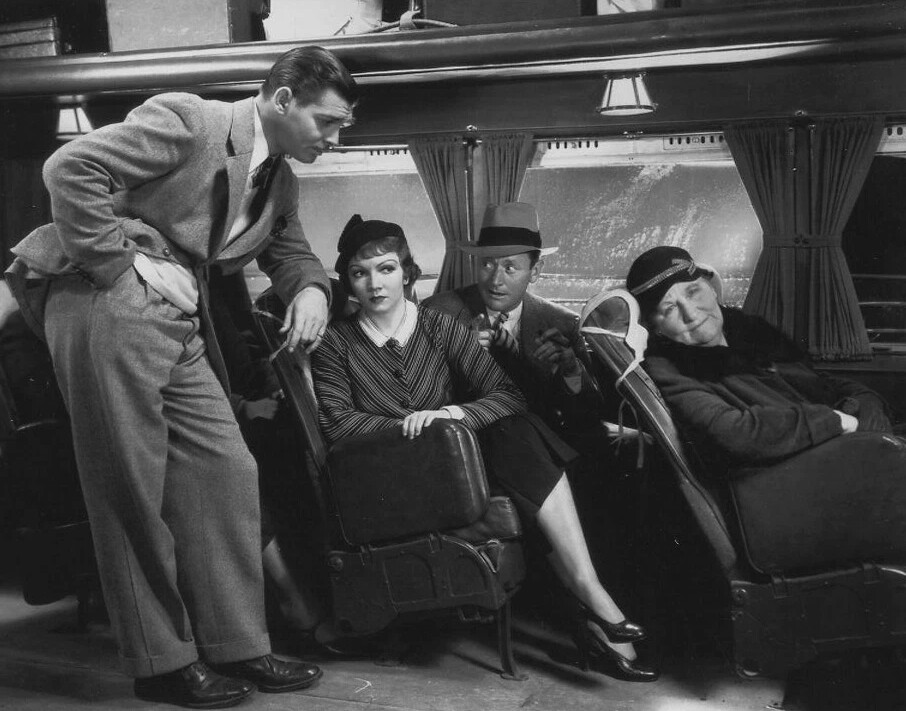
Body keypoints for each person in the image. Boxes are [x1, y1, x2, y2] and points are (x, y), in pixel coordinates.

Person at [4, 46, 357, 709]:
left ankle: (237, 642)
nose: (335, 138)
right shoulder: (194, 121)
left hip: (178, 316)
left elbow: (290, 252)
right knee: (130, 483)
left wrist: (311, 289)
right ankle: (161, 662)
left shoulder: (281, 182)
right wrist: (120, 264)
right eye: (329, 122)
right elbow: (69, 167)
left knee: (227, 468)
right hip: (102, 296)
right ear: (284, 100)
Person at [310, 214, 657, 682]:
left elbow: (507, 396)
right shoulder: (336, 344)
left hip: (453, 474)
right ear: (348, 281)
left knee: (516, 429)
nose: (374, 284)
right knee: (518, 450)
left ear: (407, 272)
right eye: (360, 273)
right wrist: (412, 428)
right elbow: (338, 423)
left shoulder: (439, 328)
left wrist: (450, 415)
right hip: (387, 486)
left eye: (386, 269)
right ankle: (595, 607)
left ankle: (591, 595)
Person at [625, 245, 893, 472]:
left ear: (711, 289)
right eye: (669, 308)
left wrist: (866, 410)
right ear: (656, 327)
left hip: (846, 451)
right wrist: (834, 420)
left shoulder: (755, 335)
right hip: (802, 479)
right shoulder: (669, 369)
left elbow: (824, 384)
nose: (691, 314)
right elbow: (732, 434)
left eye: (693, 292)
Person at [423, 202, 603, 440]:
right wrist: (460, 360)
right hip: (463, 443)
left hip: (540, 445)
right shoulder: (436, 313)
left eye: (509, 268)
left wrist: (571, 370)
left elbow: (589, 415)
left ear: (535, 271)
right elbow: (416, 402)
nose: (495, 280)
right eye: (487, 264)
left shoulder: (562, 322)